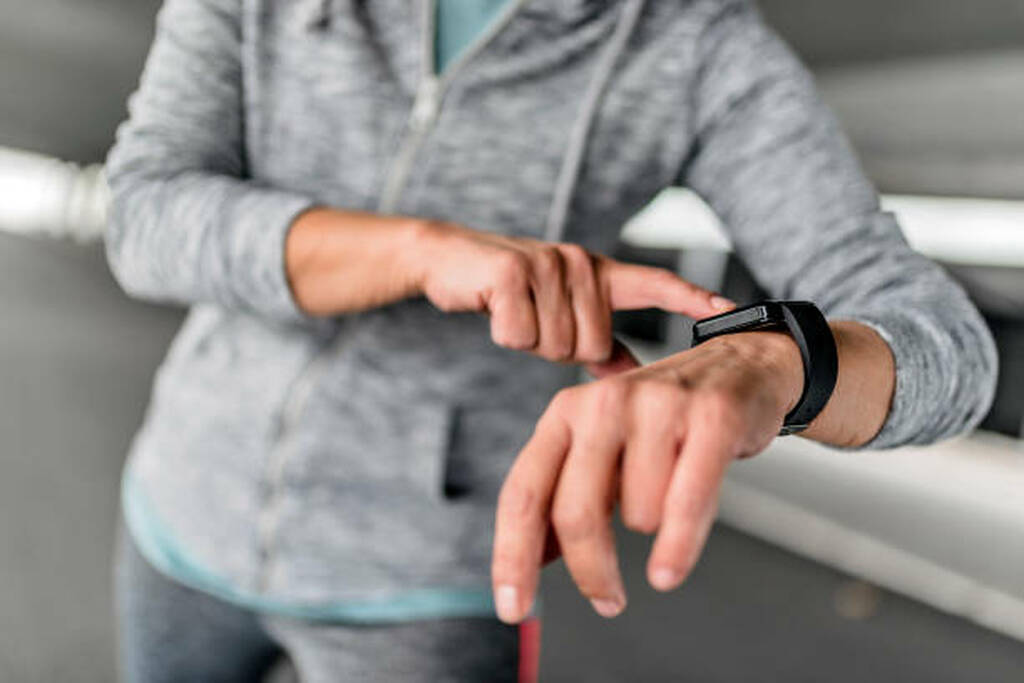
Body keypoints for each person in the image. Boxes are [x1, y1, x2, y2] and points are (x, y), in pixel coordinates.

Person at [105, 0, 997, 680]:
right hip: (183, 510)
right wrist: (423, 251)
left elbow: (951, 347)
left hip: (429, 581)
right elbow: (142, 213)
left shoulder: (695, 48)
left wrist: (773, 357)